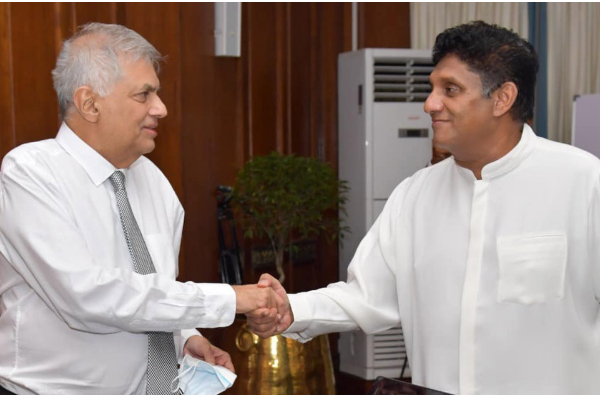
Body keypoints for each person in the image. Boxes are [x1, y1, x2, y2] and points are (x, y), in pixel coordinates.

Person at [248, 21, 600, 394]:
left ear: (502, 98)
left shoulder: (583, 181)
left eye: (450, 89)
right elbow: (366, 295)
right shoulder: (415, 194)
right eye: (432, 88)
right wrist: (292, 310)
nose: (430, 104)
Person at [0, 23, 281, 395]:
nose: (161, 108)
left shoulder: (154, 180)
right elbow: (86, 296)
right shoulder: (29, 173)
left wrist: (186, 338)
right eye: (144, 94)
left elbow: (155, 289)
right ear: (90, 104)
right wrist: (230, 298)